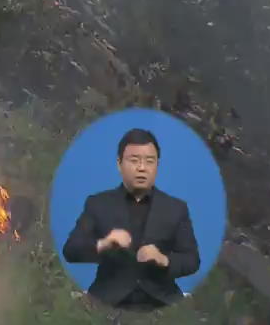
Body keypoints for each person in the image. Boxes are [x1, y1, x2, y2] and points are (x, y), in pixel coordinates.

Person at [62, 128, 200, 311]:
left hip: (161, 301)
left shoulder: (176, 208)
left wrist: (163, 259)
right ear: (119, 164)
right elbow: (71, 251)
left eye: (149, 161)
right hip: (108, 300)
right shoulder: (98, 204)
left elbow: (192, 260)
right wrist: (104, 243)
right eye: (134, 160)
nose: (142, 168)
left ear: (157, 165)